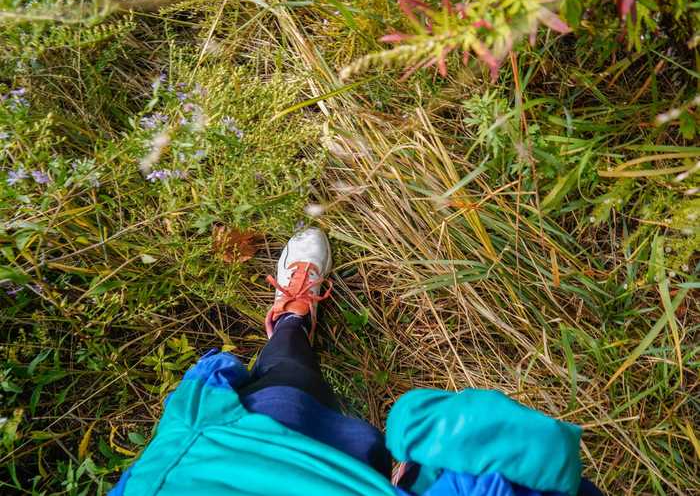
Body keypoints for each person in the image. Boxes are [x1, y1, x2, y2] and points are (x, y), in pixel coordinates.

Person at [109, 228, 603, 496]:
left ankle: (290, 320)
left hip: (208, 474)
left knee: (284, 390)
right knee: (310, 418)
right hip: (225, 461)